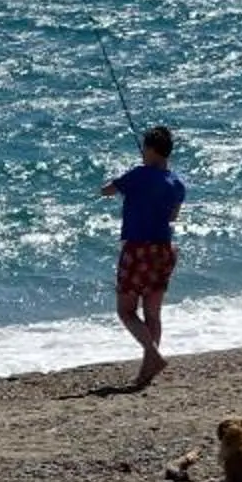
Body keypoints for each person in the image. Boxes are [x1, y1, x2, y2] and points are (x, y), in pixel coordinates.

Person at [99, 125, 186, 389]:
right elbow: (172, 217)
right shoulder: (178, 184)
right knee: (153, 313)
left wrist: (129, 184)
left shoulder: (138, 175)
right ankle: (147, 371)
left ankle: (154, 355)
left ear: (149, 149)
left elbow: (107, 191)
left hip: (137, 248)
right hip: (163, 249)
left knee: (125, 310)